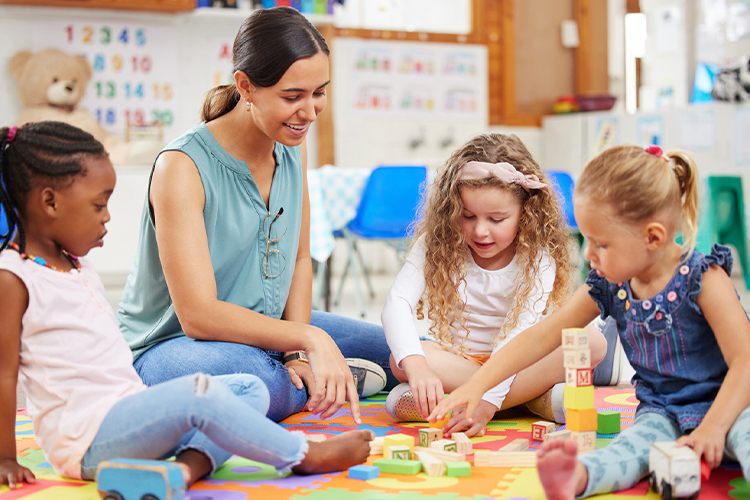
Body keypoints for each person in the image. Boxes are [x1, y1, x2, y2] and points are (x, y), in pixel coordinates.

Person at [0, 122, 374, 489]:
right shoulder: (13, 278)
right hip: (85, 438)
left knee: (248, 390)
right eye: (99, 206)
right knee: (201, 392)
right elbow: (4, 374)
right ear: (50, 202)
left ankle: (182, 471)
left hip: (127, 413)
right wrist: (4, 458)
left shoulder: (75, 264)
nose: (107, 217)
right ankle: (302, 455)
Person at [117, 7, 396, 424]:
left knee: (404, 352)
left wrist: (297, 352)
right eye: (291, 96)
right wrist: (307, 338)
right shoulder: (181, 166)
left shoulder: (291, 147)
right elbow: (197, 315)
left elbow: (300, 259)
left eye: (319, 91)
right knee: (255, 385)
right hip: (173, 346)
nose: (310, 111)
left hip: (268, 331)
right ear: (245, 86)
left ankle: (322, 379)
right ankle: (329, 383)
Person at [429, 144, 750, 499]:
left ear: (653, 237)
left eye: (600, 243)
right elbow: (541, 337)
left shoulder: (704, 278)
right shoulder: (610, 282)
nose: (587, 254)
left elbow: (745, 363)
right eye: (586, 239)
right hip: (664, 411)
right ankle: (578, 477)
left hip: (735, 403)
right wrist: (477, 386)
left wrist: (715, 428)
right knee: (626, 451)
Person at [381, 133, 608, 437]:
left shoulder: (538, 259)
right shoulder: (436, 244)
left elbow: (520, 337)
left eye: (497, 219)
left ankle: (463, 404)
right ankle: (532, 401)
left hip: (520, 361)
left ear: (525, 215)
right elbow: (397, 303)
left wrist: (486, 405)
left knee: (593, 342)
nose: (480, 231)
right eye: (468, 215)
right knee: (401, 360)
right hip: (459, 361)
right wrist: (419, 368)